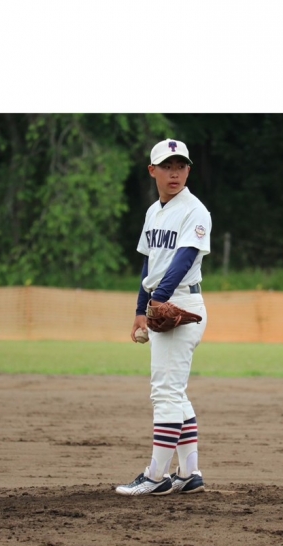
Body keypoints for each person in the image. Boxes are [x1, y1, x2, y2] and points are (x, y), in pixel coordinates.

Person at [115, 139, 212, 496]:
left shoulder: (195, 210)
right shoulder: (153, 212)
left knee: (165, 393)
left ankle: (156, 476)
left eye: (181, 165)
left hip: (181, 304)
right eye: (167, 166)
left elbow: (184, 259)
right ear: (152, 170)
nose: (175, 172)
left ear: (188, 170)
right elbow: (150, 264)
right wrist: (140, 310)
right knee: (175, 392)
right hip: (163, 302)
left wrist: (159, 299)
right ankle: (189, 473)